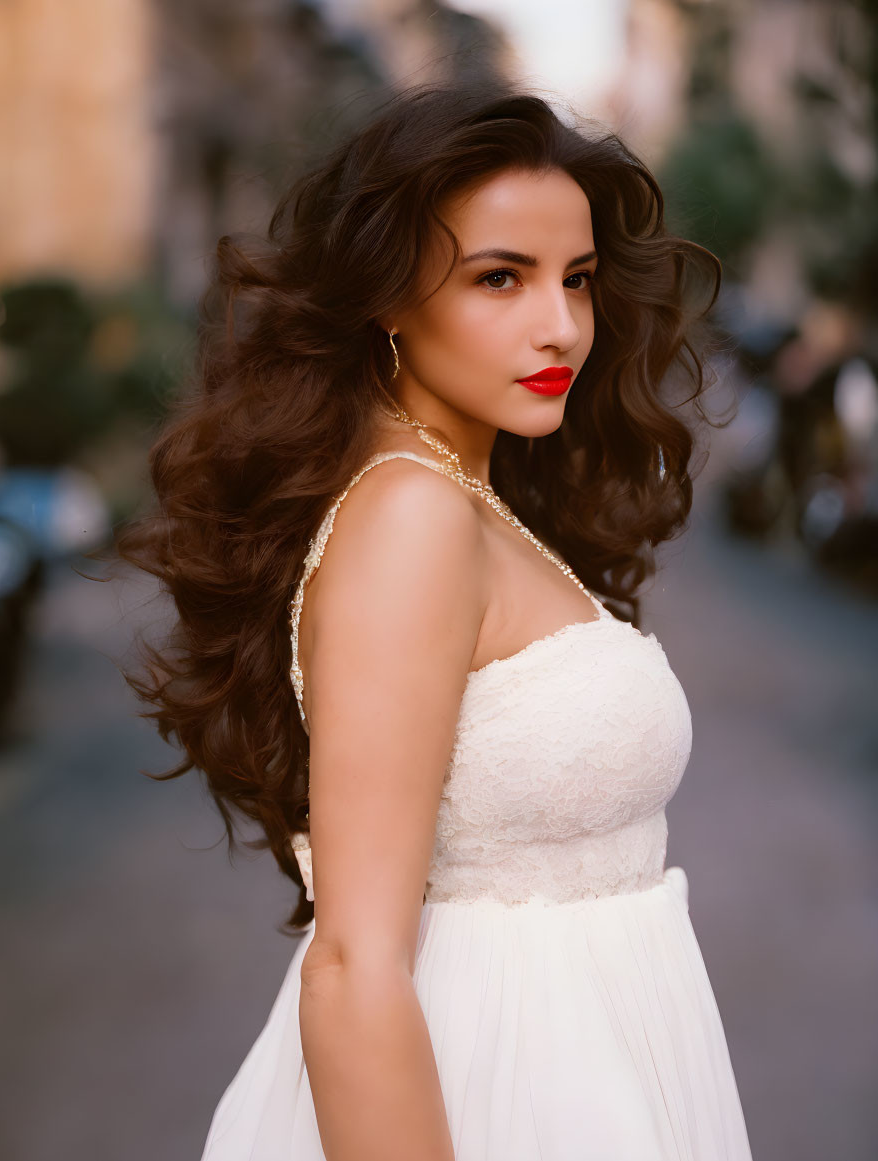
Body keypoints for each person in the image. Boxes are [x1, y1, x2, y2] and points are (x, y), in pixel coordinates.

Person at [116, 82, 754, 1160]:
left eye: (579, 279)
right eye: (500, 277)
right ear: (386, 297)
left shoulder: (460, 497)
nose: (560, 325)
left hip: (581, 1072)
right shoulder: (412, 514)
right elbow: (353, 963)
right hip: (491, 1089)